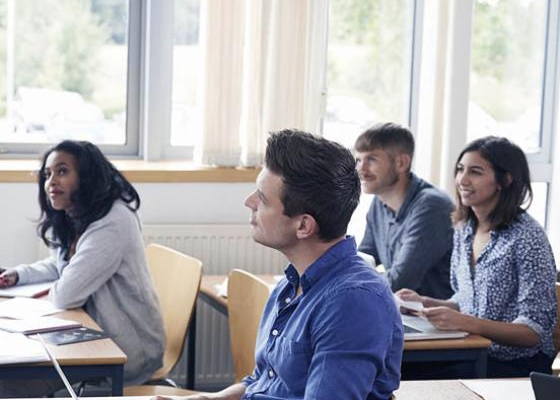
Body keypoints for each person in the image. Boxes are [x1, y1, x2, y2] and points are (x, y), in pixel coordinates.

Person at [163, 129, 403, 400]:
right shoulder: (291, 284)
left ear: (303, 225)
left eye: (262, 199)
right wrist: (212, 399)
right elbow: (264, 380)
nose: (248, 202)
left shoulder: (352, 303)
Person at [0, 140, 164, 396]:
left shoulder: (113, 221)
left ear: (86, 178)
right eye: (48, 174)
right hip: (94, 334)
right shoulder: (79, 213)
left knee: (10, 384)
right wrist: (19, 274)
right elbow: (61, 264)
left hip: (127, 349)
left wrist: (58, 284)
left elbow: (66, 294)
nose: (51, 181)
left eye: (62, 171)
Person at [397, 136, 557, 378]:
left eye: (476, 172)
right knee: (389, 367)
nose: (462, 179)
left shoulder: (527, 237)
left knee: (405, 375)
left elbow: (532, 332)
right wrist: (426, 302)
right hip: (472, 353)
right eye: (460, 170)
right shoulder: (464, 229)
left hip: (515, 365)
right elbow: (467, 300)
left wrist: (465, 322)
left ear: (505, 180)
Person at [355, 123, 454, 299]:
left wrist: (351, 285)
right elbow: (362, 262)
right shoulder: (379, 201)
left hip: (433, 319)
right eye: (359, 160)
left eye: (371, 159)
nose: (361, 170)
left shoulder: (431, 206)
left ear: (402, 163)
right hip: (403, 312)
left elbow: (400, 281)